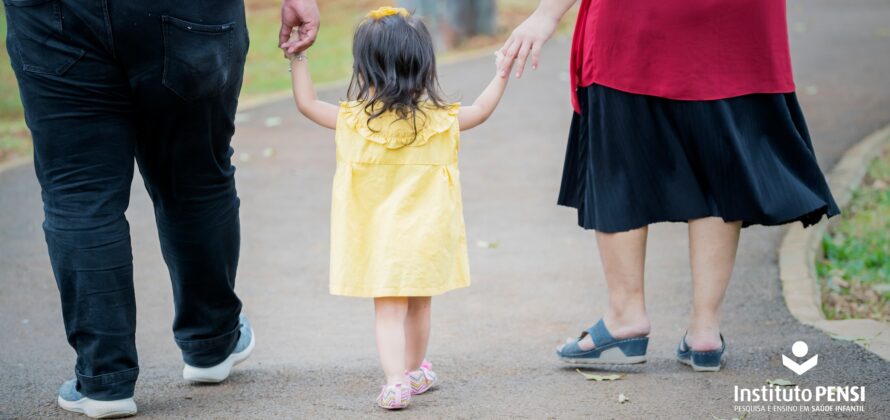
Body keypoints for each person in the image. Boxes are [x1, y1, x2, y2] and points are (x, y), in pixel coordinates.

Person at [3, 0, 316, 417]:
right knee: (196, 173)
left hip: (53, 15)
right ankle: (211, 342)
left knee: (79, 191)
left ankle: (104, 379)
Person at [502, 0, 839, 371]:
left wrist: (546, 13)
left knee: (621, 161)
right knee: (717, 160)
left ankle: (625, 318)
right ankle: (705, 332)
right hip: (738, 19)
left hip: (639, 15)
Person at [286, 6, 515, 409]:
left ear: (365, 68)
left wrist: (298, 56)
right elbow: (480, 110)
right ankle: (412, 372)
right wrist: (500, 71)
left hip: (377, 240)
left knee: (388, 311)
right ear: (423, 67)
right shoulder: (439, 120)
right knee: (419, 305)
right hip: (426, 237)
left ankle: (395, 382)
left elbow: (306, 103)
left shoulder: (352, 121)